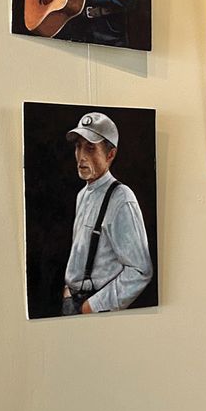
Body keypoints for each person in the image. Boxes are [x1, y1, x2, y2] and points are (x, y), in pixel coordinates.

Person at [62, 112, 152, 316]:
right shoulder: (82, 195)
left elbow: (140, 271)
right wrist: (68, 292)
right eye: (78, 146)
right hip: (72, 303)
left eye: (90, 148)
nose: (81, 156)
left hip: (95, 307)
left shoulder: (122, 198)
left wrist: (92, 306)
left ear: (110, 154)